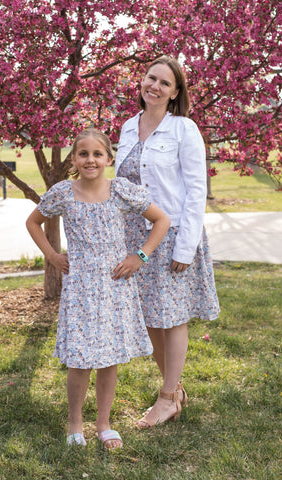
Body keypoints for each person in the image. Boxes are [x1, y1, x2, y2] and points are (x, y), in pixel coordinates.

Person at [26, 128, 170, 449]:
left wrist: (140, 256)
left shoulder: (120, 190)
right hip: (80, 288)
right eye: (83, 154)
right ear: (74, 158)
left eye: (97, 154)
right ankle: (74, 422)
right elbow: (32, 222)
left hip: (115, 287)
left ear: (108, 158)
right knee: (79, 358)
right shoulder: (63, 192)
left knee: (108, 358)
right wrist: (52, 255)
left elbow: (161, 220)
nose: (90, 160)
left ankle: (104, 424)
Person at [115, 55, 220, 428]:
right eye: (150, 78)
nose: (154, 86)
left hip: (172, 235)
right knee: (149, 318)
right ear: (141, 82)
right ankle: (173, 390)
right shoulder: (128, 127)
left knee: (172, 318)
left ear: (175, 92)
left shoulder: (184, 129)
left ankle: (166, 398)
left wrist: (185, 246)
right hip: (135, 237)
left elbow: (196, 191)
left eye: (164, 82)